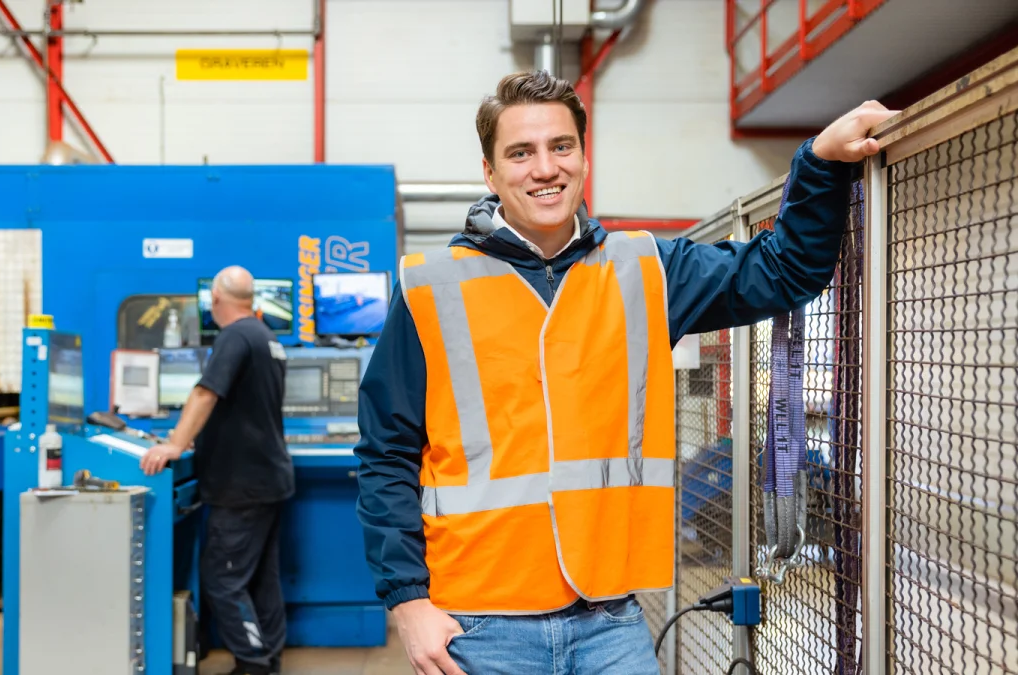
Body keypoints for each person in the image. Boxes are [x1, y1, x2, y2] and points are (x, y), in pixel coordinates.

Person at [353, 70, 898, 674]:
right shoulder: (430, 288)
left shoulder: (645, 270)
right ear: (490, 172)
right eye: (520, 152)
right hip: (480, 623)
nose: (545, 168)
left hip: (610, 620)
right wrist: (407, 601)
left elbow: (783, 273)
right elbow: (386, 454)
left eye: (561, 146)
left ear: (583, 156)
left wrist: (819, 161)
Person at [141, 265, 294, 675]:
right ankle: (269, 659)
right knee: (261, 578)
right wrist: (196, 437)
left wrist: (175, 443)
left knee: (223, 580)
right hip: (269, 478)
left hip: (240, 485)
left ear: (216, 301)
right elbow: (242, 408)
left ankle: (253, 662)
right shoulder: (266, 337)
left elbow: (206, 392)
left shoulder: (235, 336)